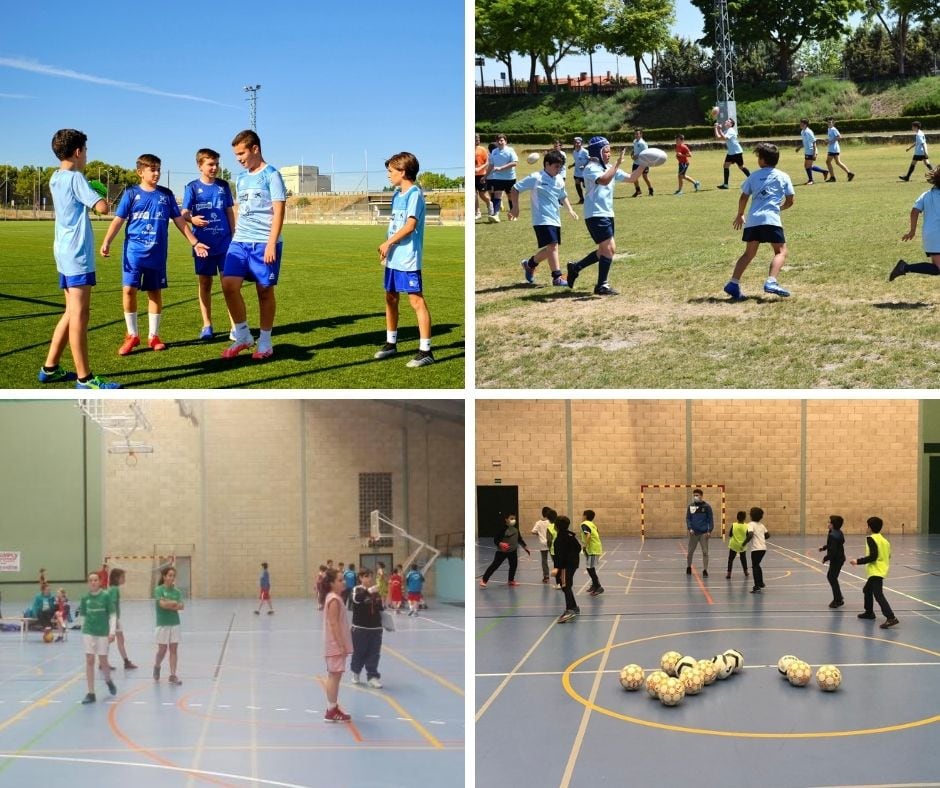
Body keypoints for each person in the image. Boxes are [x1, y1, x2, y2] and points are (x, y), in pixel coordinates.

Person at [101, 154, 209, 355]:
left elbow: (179, 221)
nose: (157, 173)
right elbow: (118, 220)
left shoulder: (166, 195)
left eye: (158, 169)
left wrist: (194, 242)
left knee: (155, 292)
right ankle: (132, 335)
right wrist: (107, 241)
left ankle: (153, 336)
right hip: (133, 253)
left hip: (157, 254)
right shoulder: (131, 194)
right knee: (128, 291)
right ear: (140, 172)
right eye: (152, 169)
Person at [42, 129, 119, 389]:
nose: (86, 155)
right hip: (77, 254)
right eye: (86, 151)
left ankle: (50, 367)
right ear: (78, 152)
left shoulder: (55, 177)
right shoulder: (75, 177)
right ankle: (85, 378)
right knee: (80, 315)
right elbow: (102, 208)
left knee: (71, 311)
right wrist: (98, 193)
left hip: (63, 252)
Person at [221, 129, 286, 360]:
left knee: (264, 291)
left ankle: (265, 342)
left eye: (241, 153)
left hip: (264, 242)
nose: (238, 158)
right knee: (228, 285)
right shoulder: (240, 178)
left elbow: (279, 211)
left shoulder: (272, 175)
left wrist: (270, 244)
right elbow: (240, 208)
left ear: (255, 149)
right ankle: (243, 335)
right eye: (236, 154)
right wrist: (237, 232)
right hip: (240, 241)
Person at [373, 152, 434, 368]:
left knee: (416, 301)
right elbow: (396, 226)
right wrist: (388, 248)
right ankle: (391, 343)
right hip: (393, 258)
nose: (388, 175)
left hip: (408, 258)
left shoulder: (414, 194)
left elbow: (410, 226)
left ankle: (426, 350)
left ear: (403, 171)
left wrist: (388, 243)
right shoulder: (397, 195)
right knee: (390, 298)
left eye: (391, 171)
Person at [566, 137, 643, 296]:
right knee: (609, 249)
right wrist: (617, 164)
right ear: (597, 152)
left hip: (607, 212)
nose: (609, 154)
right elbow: (604, 180)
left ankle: (575, 268)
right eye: (606, 151)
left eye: (609, 151)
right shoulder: (591, 167)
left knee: (604, 251)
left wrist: (645, 163)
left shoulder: (609, 167)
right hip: (595, 214)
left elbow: (632, 178)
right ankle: (602, 285)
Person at [722, 143, 795, 300]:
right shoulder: (783, 176)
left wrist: (740, 214)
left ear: (762, 160)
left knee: (749, 253)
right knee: (781, 251)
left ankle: (733, 284)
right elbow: (790, 201)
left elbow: (743, 197)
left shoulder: (753, 176)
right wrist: (778, 209)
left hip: (753, 220)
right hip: (771, 220)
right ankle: (771, 281)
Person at [181, 148, 235, 340]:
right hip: (203, 244)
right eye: (210, 164)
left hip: (225, 243)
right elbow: (184, 212)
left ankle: (235, 326)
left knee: (228, 284)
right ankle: (207, 325)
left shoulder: (223, 186)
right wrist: (192, 219)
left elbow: (229, 211)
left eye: (216, 164)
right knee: (205, 283)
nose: (214, 168)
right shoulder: (192, 187)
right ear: (200, 166)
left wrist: (234, 234)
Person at [511, 150, 577, 287]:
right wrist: (515, 208)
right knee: (552, 246)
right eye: (556, 167)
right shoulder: (536, 177)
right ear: (547, 164)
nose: (558, 170)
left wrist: (570, 209)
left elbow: (562, 195)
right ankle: (557, 278)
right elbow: (515, 188)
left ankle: (529, 264)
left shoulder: (559, 179)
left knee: (550, 249)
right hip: (541, 218)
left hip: (555, 218)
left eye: (560, 167)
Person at [888, 166, 940, 282]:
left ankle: (904, 267)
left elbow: (914, 211)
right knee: (938, 268)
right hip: (936, 237)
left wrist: (912, 230)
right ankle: (904, 267)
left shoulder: (926, 195)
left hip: (931, 235)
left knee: (937, 268)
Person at [849, 516, 899, 628]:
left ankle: (891, 617)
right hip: (881, 570)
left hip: (876, 571)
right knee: (867, 590)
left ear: (870, 527)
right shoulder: (885, 541)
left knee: (878, 594)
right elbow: (888, 555)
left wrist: (857, 561)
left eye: (867, 526)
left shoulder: (871, 538)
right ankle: (869, 613)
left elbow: (873, 556)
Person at [78, 571, 117, 703]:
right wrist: (84, 630)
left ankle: (108, 680)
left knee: (103, 661)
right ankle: (91, 693)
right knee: (89, 660)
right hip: (89, 632)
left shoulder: (106, 597)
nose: (93, 582)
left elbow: (112, 615)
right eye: (91, 580)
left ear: (100, 582)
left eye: (95, 580)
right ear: (88, 583)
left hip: (103, 633)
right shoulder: (85, 598)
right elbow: (82, 615)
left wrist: (112, 632)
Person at [322, 568, 353, 722]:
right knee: (334, 677)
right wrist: (341, 645)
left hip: (335, 645)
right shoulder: (334, 599)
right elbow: (333, 624)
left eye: (343, 579)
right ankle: (331, 711)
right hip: (335, 645)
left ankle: (332, 707)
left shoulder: (334, 597)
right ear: (332, 583)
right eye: (340, 580)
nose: (344, 582)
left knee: (334, 676)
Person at [350, 568, 385, 688]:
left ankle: (372, 676)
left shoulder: (376, 591)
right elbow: (356, 600)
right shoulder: (357, 590)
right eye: (366, 576)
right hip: (360, 629)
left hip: (375, 629)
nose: (369, 579)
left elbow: (380, 608)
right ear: (360, 578)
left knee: (374, 653)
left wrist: (386, 622)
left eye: (370, 576)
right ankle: (356, 672)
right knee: (359, 653)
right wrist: (368, 591)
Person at [479, 513, 530, 587]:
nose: (513, 520)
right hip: (502, 552)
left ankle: (511, 580)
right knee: (495, 565)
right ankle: (484, 580)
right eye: (511, 518)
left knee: (513, 565)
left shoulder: (516, 530)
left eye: (514, 518)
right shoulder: (502, 529)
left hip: (513, 551)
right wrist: (501, 544)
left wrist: (525, 547)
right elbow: (496, 540)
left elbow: (519, 539)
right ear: (506, 519)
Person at [153, 565, 184, 685]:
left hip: (175, 623)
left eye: (173, 576)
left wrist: (170, 604)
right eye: (170, 575)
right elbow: (162, 605)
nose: (172, 578)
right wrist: (173, 604)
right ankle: (157, 665)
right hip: (162, 624)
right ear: (164, 577)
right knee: (162, 650)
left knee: (174, 649)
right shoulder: (159, 590)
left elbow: (182, 606)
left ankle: (173, 674)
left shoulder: (177, 591)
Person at [554, 516, 582, 623]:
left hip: (565, 566)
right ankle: (574, 607)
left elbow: (559, 556)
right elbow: (578, 548)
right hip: (574, 564)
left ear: (557, 526)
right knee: (568, 585)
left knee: (565, 586)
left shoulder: (559, 539)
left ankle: (569, 610)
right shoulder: (571, 535)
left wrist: (557, 569)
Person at [108, 568, 137, 669]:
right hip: (112, 618)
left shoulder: (113, 588)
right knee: (110, 640)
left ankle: (126, 661)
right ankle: (103, 662)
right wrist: (114, 620)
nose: (124, 579)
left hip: (114, 618)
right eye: (123, 577)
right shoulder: (114, 589)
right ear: (116, 578)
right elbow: (111, 604)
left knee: (120, 639)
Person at [486, 133, 518, 221]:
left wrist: (501, 168)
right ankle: (496, 215)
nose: (500, 142)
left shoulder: (510, 150)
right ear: (496, 142)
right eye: (498, 140)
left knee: (510, 196)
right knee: (497, 195)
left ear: (505, 141)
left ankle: (513, 214)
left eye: (502, 140)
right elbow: (491, 165)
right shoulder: (494, 151)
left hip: (510, 178)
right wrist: (485, 176)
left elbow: (514, 163)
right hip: (498, 178)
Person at [714, 118, 750, 190]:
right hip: (731, 152)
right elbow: (718, 137)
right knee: (726, 166)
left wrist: (720, 129)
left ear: (731, 124)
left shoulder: (731, 131)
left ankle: (753, 179)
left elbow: (725, 138)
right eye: (726, 120)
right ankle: (726, 185)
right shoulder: (727, 130)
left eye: (728, 121)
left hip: (737, 152)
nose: (726, 121)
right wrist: (715, 128)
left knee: (741, 167)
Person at [819, 514, 846, 608]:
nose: (828, 523)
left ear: (833, 524)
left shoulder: (833, 535)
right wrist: (824, 548)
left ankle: (838, 600)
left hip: (837, 560)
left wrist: (825, 558)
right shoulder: (837, 532)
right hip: (839, 558)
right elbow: (832, 545)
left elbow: (833, 551)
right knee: (831, 577)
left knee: (832, 577)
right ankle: (838, 597)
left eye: (829, 522)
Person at [686, 488, 714, 577]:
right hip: (693, 533)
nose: (695, 497)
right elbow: (688, 518)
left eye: (697, 495)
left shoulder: (707, 507)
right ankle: (688, 567)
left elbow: (710, 520)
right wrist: (690, 528)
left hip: (704, 533)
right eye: (694, 495)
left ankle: (705, 570)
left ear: (701, 496)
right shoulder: (690, 506)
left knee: (705, 552)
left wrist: (709, 530)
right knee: (690, 552)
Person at [795, 119, 830, 185]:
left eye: (801, 123)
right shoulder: (802, 132)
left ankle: (811, 180)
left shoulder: (809, 132)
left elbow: (814, 142)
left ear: (805, 124)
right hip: (807, 151)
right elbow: (805, 142)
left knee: (808, 166)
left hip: (811, 151)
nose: (800, 124)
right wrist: (799, 147)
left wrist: (814, 153)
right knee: (807, 166)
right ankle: (824, 172)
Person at [744, 506, 769, 594]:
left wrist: (744, 543)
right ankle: (761, 582)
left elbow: (750, 535)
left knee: (755, 566)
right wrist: (761, 537)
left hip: (756, 549)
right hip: (763, 549)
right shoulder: (761, 525)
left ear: (751, 515)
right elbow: (767, 535)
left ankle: (756, 586)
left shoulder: (750, 524)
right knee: (757, 565)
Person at [580, 509, 604, 595]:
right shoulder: (593, 525)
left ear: (585, 516)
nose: (581, 517)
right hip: (593, 548)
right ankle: (594, 584)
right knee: (590, 567)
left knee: (590, 568)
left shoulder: (584, 524)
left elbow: (588, 535)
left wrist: (585, 546)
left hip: (593, 549)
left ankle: (598, 586)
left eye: (582, 515)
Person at [824, 117, 855, 183]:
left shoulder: (833, 129)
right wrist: (828, 141)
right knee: (837, 162)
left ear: (833, 123)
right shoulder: (829, 129)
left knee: (828, 162)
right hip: (834, 148)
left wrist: (830, 141)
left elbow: (839, 136)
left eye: (830, 122)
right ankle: (849, 173)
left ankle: (833, 177)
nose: (829, 123)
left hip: (833, 149)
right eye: (828, 122)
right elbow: (833, 138)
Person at [531, 506, 554, 583]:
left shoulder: (538, 522)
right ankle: (559, 574)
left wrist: (539, 534)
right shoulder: (551, 522)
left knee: (544, 560)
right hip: (551, 543)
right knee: (555, 559)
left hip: (542, 543)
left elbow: (533, 531)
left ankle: (546, 576)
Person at [630, 129, 654, 197]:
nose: (636, 135)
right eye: (635, 134)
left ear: (641, 134)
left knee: (645, 177)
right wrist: (633, 152)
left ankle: (651, 190)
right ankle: (638, 191)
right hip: (636, 163)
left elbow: (646, 153)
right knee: (634, 177)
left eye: (637, 134)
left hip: (643, 163)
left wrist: (637, 155)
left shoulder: (643, 143)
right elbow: (635, 149)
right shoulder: (634, 141)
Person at [726, 510, 749, 579]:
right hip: (742, 545)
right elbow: (748, 535)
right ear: (744, 518)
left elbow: (730, 535)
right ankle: (746, 572)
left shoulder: (734, 525)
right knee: (743, 559)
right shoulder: (747, 526)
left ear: (737, 517)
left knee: (730, 559)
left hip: (734, 544)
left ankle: (729, 574)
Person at [474, 134, 492, 220]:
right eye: (476, 140)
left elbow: (487, 162)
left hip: (481, 175)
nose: (477, 142)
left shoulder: (482, 150)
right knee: (473, 195)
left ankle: (489, 203)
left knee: (482, 195)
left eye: (478, 140)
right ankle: (478, 212)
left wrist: (478, 169)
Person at [571, 136, 589, 203]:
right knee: (577, 185)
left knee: (586, 186)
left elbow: (589, 161)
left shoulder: (585, 151)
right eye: (575, 142)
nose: (576, 144)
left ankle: (589, 198)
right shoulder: (574, 152)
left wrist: (584, 166)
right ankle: (581, 199)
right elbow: (577, 161)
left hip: (584, 173)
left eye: (578, 143)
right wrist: (572, 165)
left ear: (581, 143)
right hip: (577, 173)